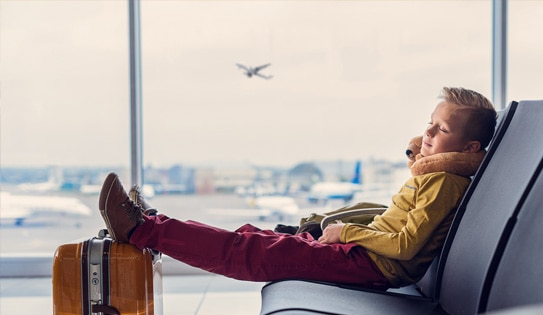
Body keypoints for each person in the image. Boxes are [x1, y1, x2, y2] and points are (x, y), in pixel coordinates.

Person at [99, 87, 496, 289]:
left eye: (440, 129)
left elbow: (407, 244)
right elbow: (392, 222)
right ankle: (153, 224)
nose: (426, 132)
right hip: (364, 254)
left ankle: (143, 229)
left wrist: (346, 232)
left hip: (370, 265)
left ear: (469, 148)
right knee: (253, 237)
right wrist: (331, 224)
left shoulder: (443, 182)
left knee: (251, 250)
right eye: (430, 121)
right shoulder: (434, 177)